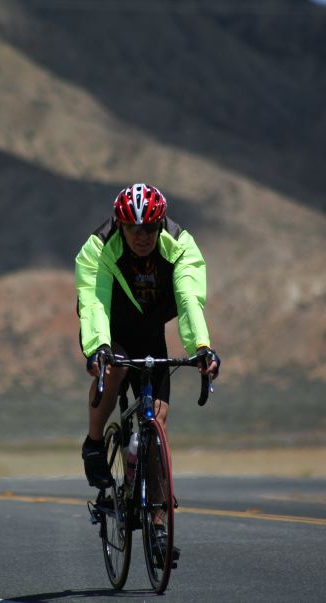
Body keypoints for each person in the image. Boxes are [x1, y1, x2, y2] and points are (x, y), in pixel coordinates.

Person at [75, 182, 220, 490]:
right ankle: (94, 444)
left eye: (150, 228)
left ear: (160, 224)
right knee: (116, 367)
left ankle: (156, 522)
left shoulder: (180, 244)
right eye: (134, 229)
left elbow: (188, 299)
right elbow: (94, 302)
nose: (143, 237)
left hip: (151, 331)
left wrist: (202, 347)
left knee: (158, 421)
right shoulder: (99, 247)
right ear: (120, 225)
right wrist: (97, 347)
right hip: (112, 327)